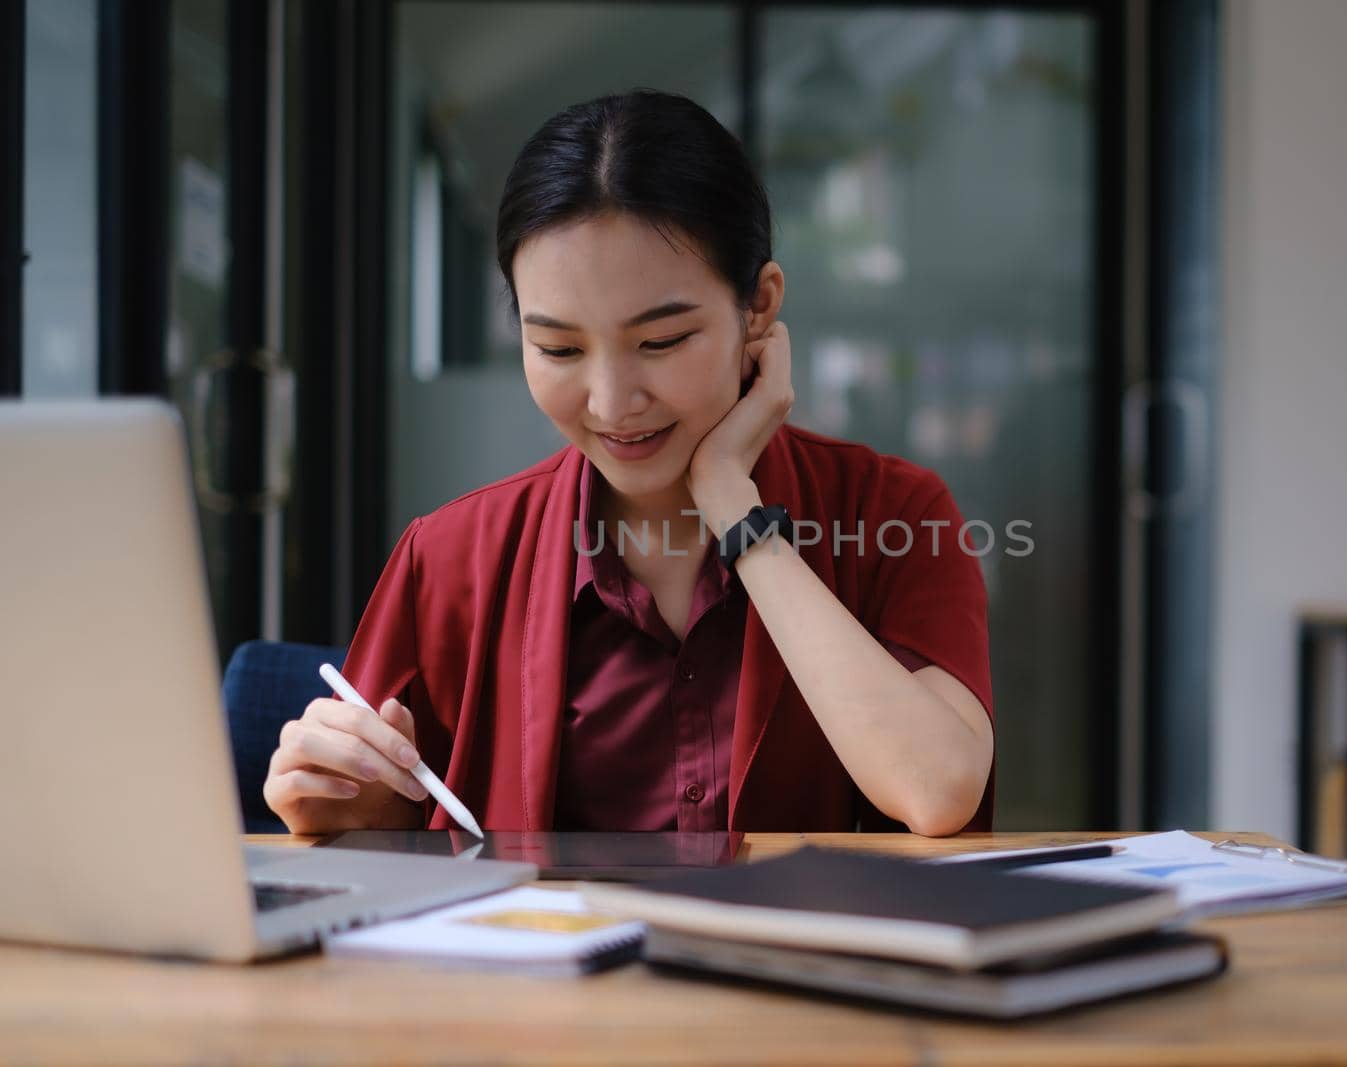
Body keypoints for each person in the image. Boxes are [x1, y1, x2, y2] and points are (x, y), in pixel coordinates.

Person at [263, 90, 994, 837]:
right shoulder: (449, 558)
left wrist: (736, 513)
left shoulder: (893, 513)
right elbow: (381, 824)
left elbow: (936, 788)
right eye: (560, 349)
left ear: (759, 307)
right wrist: (354, 805)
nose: (612, 403)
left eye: (661, 341)